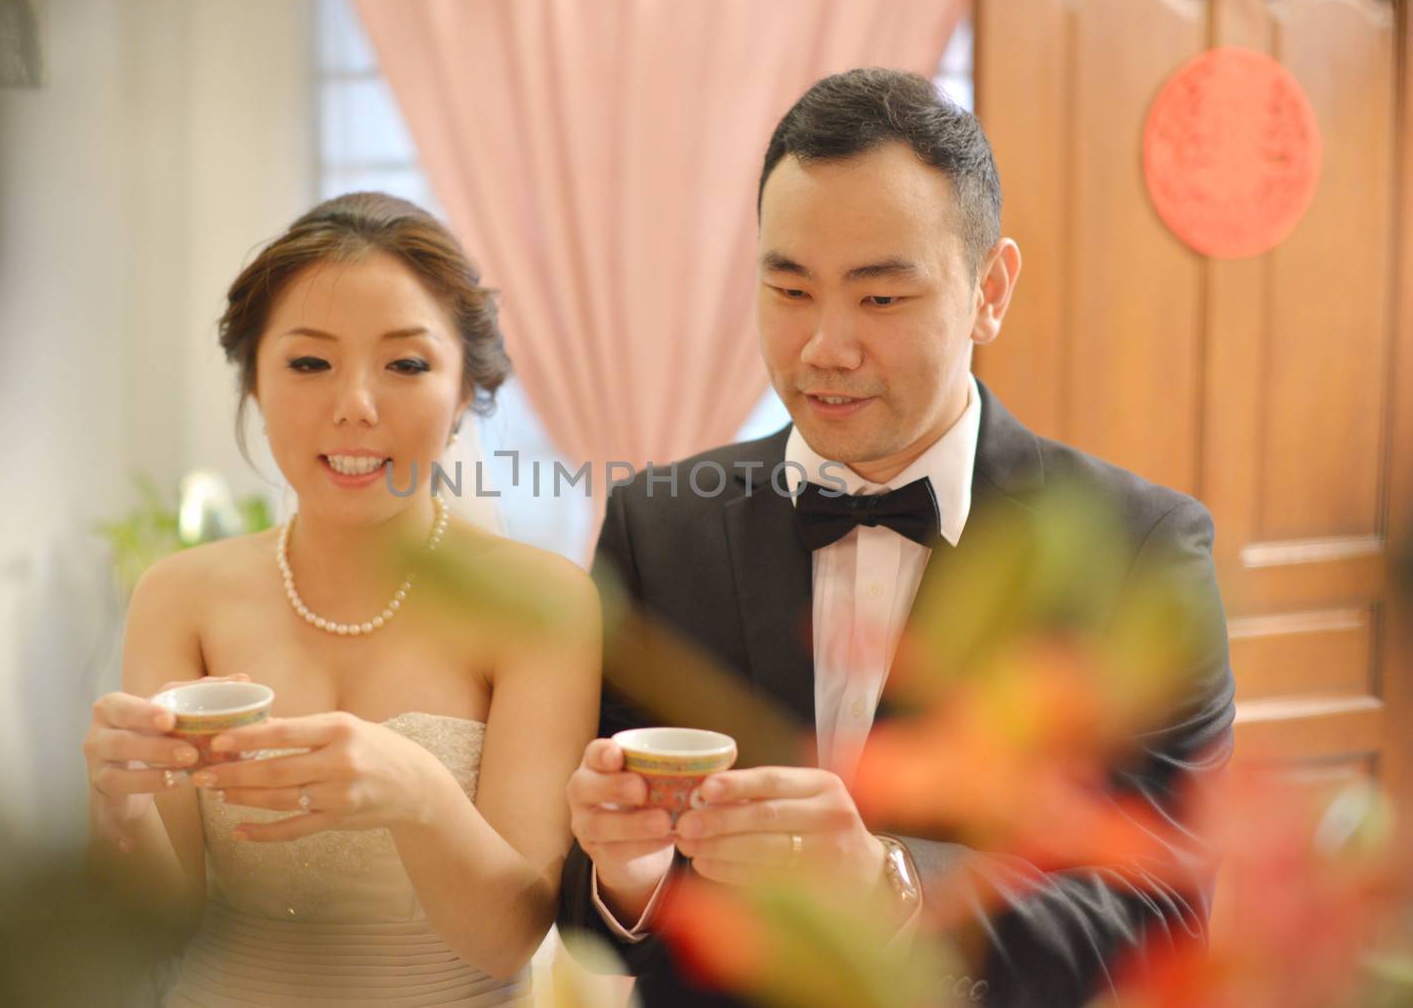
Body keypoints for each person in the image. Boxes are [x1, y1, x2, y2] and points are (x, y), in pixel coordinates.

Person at [556, 69, 1236, 1008]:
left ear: (989, 290)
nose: (824, 346)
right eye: (789, 289)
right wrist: (625, 875)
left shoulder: (1139, 551)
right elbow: (587, 910)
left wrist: (891, 888)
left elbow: (1163, 909)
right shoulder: (658, 528)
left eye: (879, 300)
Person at [83, 192, 600, 1006]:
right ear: (253, 380)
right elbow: (163, 919)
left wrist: (419, 795)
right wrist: (119, 808)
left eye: (406, 364)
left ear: (466, 391)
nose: (355, 404)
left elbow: (509, 938)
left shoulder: (540, 603)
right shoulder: (180, 595)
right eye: (309, 363)